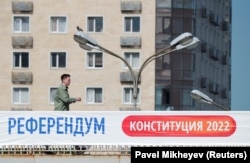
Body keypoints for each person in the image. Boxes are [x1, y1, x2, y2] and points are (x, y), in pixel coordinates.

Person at [44, 74, 85, 155]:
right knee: (66, 130)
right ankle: (46, 146)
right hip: (60, 114)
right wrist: (75, 99)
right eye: (68, 80)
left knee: (66, 130)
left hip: (62, 114)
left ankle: (47, 147)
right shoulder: (61, 89)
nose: (70, 81)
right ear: (64, 80)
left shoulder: (64, 89)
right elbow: (66, 100)